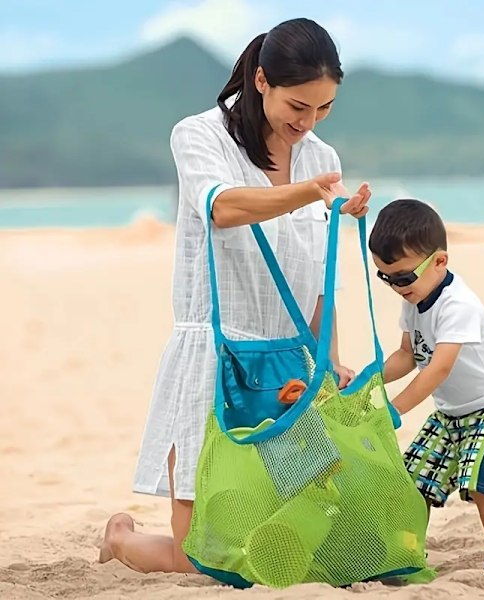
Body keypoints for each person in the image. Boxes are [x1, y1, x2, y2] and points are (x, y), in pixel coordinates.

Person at [99, 17, 371, 574]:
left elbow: (323, 279)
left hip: (291, 371)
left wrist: (331, 359)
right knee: (204, 556)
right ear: (263, 80)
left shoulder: (321, 158)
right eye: (299, 106)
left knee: (306, 540)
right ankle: (122, 538)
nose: (308, 122)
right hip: (215, 358)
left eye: (323, 109)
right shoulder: (199, 135)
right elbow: (221, 208)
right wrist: (308, 195)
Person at [369, 198, 484, 572]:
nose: (396, 286)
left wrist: (395, 409)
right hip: (451, 413)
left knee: (479, 480)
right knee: (414, 480)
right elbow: (407, 355)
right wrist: (368, 380)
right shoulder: (414, 298)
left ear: (439, 261)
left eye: (403, 277)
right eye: (385, 277)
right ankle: (408, 553)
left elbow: (437, 369)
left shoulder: (458, 305)